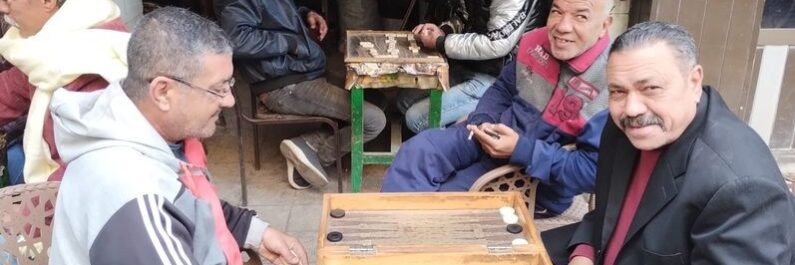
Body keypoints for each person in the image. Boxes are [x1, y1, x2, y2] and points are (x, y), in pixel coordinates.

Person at [49, 7, 308, 265]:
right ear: (163, 92)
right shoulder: (135, 198)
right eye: (217, 89)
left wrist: (255, 232)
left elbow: (190, 205)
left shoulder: (147, 130)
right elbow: (163, 210)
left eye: (229, 85)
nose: (229, 100)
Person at [541, 21, 795, 265]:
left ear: (694, 82)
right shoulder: (623, 127)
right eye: (618, 91)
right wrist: (583, 253)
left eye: (650, 88)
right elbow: (609, 214)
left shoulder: (742, 189)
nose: (631, 108)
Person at [382, 0, 614, 218]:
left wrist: (521, 149)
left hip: (532, 179)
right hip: (492, 132)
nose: (562, 26)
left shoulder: (614, 83)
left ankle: (412, 240)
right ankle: (394, 237)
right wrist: (483, 118)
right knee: (419, 150)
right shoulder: (536, 42)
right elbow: (503, 88)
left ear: (605, 25)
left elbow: (593, 172)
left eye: (580, 16)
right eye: (557, 11)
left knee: (446, 202)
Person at [214, 0, 387, 190]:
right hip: (284, 85)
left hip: (302, 73)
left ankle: (307, 144)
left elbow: (277, 16)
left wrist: (306, 14)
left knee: (376, 97)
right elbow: (237, 40)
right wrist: (290, 43)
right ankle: (317, 159)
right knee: (373, 120)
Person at [0, 0, 128, 184]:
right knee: (15, 156)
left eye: (7, 0)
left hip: (75, 187)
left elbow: (86, 174)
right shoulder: (48, 50)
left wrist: (26, 210)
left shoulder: (92, 67)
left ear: (48, 1)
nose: (2, 8)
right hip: (62, 168)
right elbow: (8, 91)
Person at [396, 0, 548, 133]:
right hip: (469, 64)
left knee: (415, 119)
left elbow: (496, 43)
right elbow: (465, 16)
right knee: (403, 101)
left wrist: (441, 42)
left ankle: (452, 143)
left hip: (499, 77)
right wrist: (443, 31)